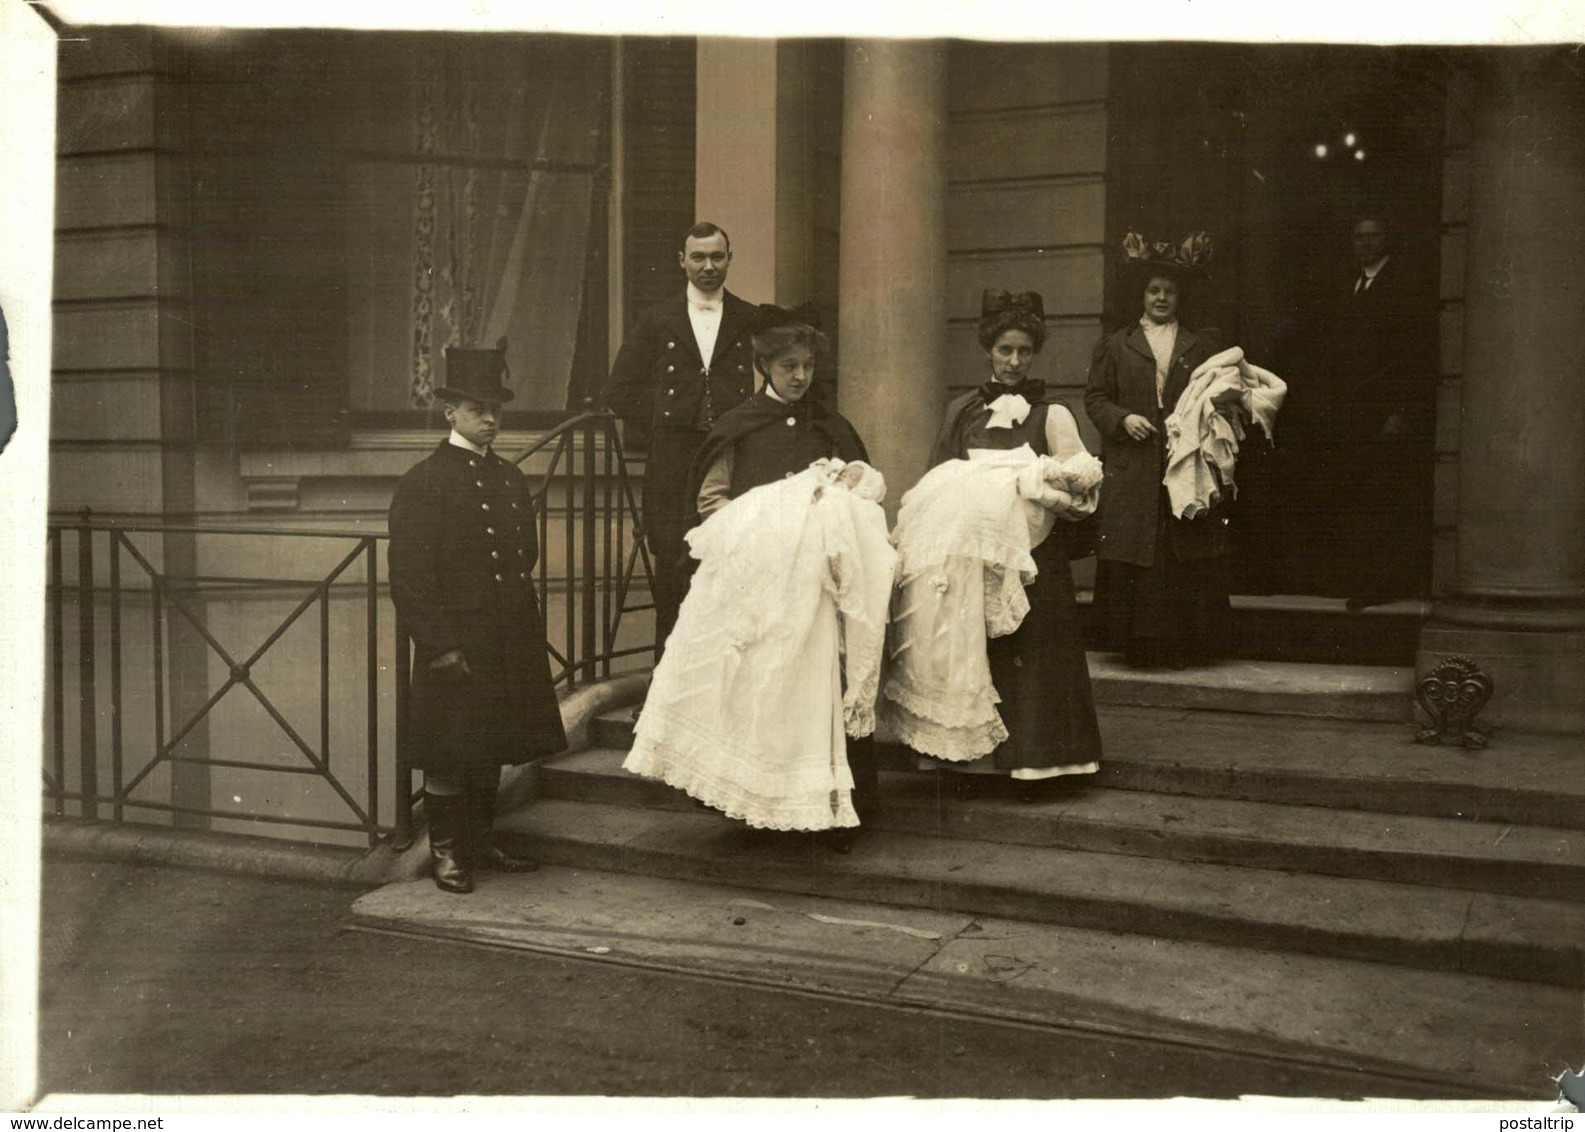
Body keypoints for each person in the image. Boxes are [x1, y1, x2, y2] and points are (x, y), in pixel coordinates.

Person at [622, 309, 894, 845]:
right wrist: (763, 531)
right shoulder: (738, 426)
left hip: (819, 588)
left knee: (822, 691)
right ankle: (761, 810)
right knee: (766, 690)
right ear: (763, 366)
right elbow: (711, 503)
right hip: (761, 585)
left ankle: (837, 807)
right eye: (788, 365)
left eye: (808, 365)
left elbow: (858, 500)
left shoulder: (830, 427)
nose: (799, 376)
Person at [882, 289, 1103, 802]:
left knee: (1033, 647)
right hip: (970, 555)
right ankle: (971, 761)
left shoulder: (1052, 415)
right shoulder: (963, 410)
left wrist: (1040, 491)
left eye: (1023, 351)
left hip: (1031, 554)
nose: (1013, 361)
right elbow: (939, 478)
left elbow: (1077, 483)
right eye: (1005, 350)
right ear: (988, 350)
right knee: (971, 650)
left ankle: (1041, 759)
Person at [388, 340, 567, 894]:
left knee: (490, 741)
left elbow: (524, 556)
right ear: (450, 413)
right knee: (449, 747)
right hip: (456, 639)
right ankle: (447, 852)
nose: (489, 418)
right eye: (476, 409)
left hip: (506, 634)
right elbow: (410, 576)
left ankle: (480, 841)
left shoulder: (510, 479)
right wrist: (440, 644)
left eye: (495, 409)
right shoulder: (424, 480)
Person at [604, 222, 759, 655]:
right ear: (682, 261)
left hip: (734, 454)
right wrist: (665, 420)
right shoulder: (658, 320)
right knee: (673, 565)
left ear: (730, 259)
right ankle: (665, 688)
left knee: (736, 560)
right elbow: (620, 390)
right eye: (698, 257)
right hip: (673, 460)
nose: (708, 266)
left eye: (717, 257)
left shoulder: (748, 317)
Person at [1084, 232, 1232, 670]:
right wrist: (1123, 419)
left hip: (1182, 462)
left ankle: (1183, 644)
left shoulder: (1199, 344)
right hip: (1134, 464)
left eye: (1169, 291)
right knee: (1137, 548)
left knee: (1179, 547)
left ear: (1179, 296)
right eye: (1154, 290)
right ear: (1142, 295)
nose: (1161, 298)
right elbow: (1095, 399)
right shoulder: (1116, 344)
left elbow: (1219, 394)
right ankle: (1139, 646)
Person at [1299, 216, 1436, 608]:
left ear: (1387, 238)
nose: (1365, 244)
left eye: (1373, 236)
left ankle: (1382, 584)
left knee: (1382, 499)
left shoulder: (1402, 285)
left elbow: (1413, 354)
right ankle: (1355, 578)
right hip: (1350, 414)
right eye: (1358, 237)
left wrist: (1400, 410)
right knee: (1351, 494)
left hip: (1384, 414)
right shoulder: (1349, 283)